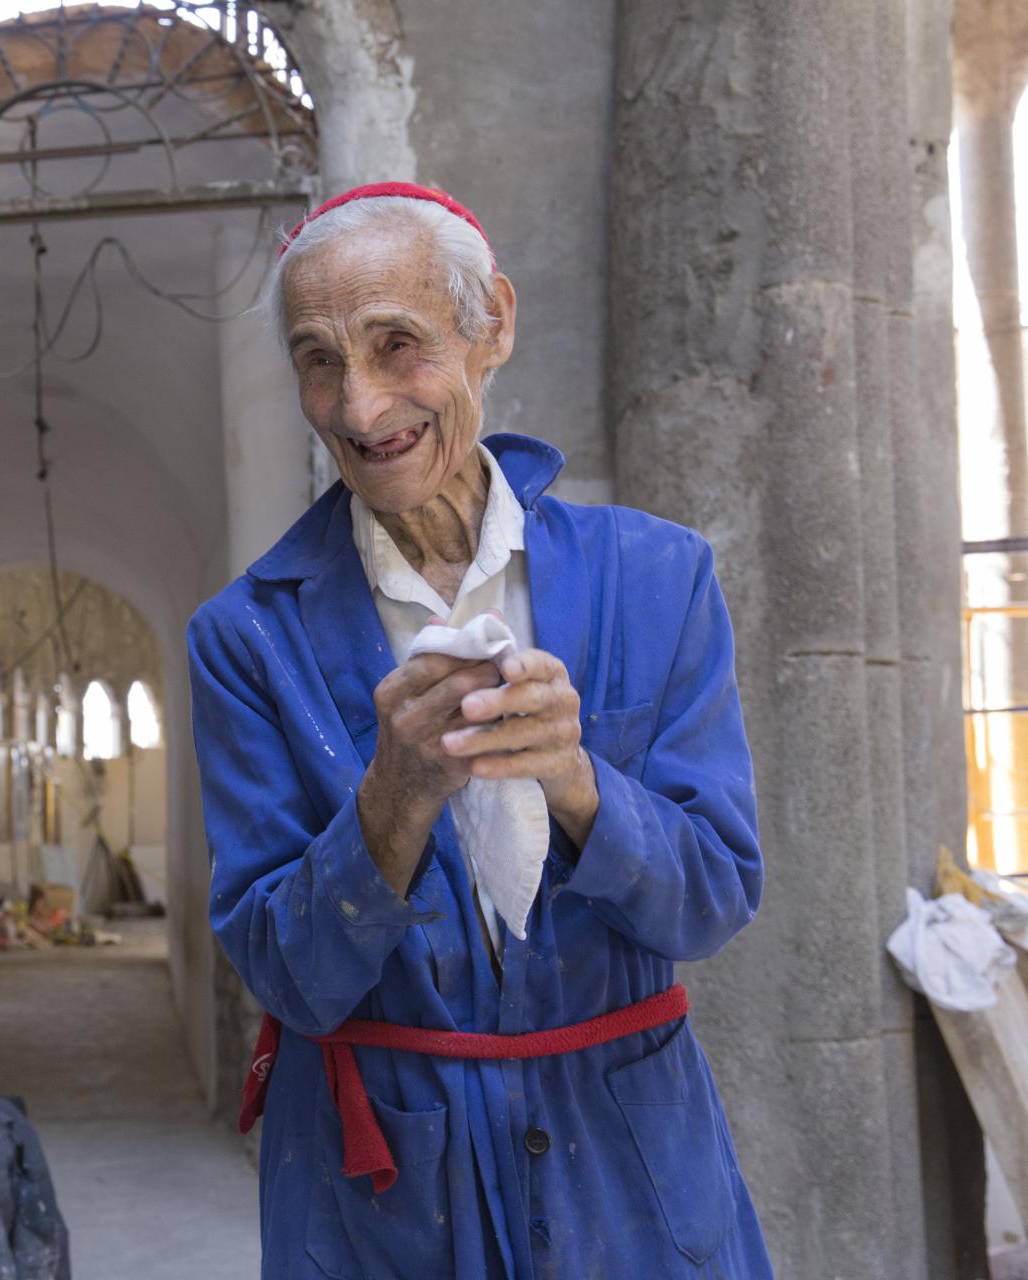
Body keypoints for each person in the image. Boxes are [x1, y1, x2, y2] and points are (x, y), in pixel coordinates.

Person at [187, 182, 773, 1277]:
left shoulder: (655, 577)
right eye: (318, 358)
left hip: (628, 1171)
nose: (358, 407)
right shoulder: (245, 636)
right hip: (383, 1202)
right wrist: (394, 793)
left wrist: (574, 777)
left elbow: (713, 895)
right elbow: (287, 976)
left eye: (396, 344)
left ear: (490, 323)